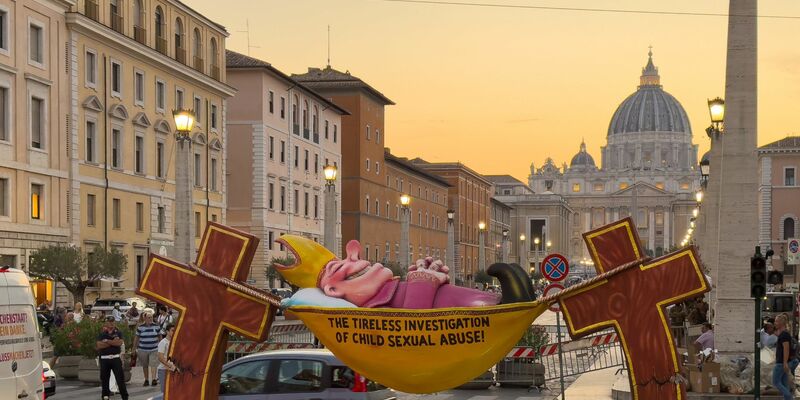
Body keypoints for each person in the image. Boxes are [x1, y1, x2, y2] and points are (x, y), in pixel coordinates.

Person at [274, 236, 536, 309]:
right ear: (333, 290)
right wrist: (424, 279)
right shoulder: (377, 308)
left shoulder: (388, 290)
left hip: (479, 304)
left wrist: (426, 273)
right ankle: (507, 301)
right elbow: (413, 318)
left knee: (507, 285)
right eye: (339, 267)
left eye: (352, 256)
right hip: (481, 313)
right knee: (505, 294)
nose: (355, 257)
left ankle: (507, 297)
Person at [96, 316, 128, 400]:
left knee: (120, 379)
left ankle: (125, 397)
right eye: (109, 322)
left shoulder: (118, 332)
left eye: (113, 321)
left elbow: (119, 343)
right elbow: (99, 345)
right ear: (106, 323)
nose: (111, 323)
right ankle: (105, 396)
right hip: (104, 359)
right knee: (105, 379)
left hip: (115, 358)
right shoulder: (102, 333)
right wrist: (113, 342)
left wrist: (107, 341)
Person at [773, 314, 799, 400]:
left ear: (782, 323)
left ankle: (789, 397)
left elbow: (786, 349)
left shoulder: (784, 334)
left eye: (776, 321)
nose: (775, 323)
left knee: (776, 382)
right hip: (784, 362)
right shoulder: (784, 333)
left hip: (781, 363)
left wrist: (785, 363)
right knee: (784, 383)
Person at [133, 312, 161, 387]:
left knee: (153, 364)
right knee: (145, 365)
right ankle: (146, 379)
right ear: (144, 318)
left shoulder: (156, 326)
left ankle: (154, 379)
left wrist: (160, 346)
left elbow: (159, 336)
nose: (150, 319)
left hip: (154, 349)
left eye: (151, 317)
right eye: (149, 317)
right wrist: (134, 348)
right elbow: (136, 338)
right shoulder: (140, 327)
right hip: (143, 349)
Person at [157, 324, 178, 394]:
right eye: (172, 330)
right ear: (167, 331)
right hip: (164, 370)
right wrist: (170, 366)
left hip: (173, 370)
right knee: (165, 392)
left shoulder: (175, 342)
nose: (174, 332)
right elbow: (160, 357)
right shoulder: (163, 342)